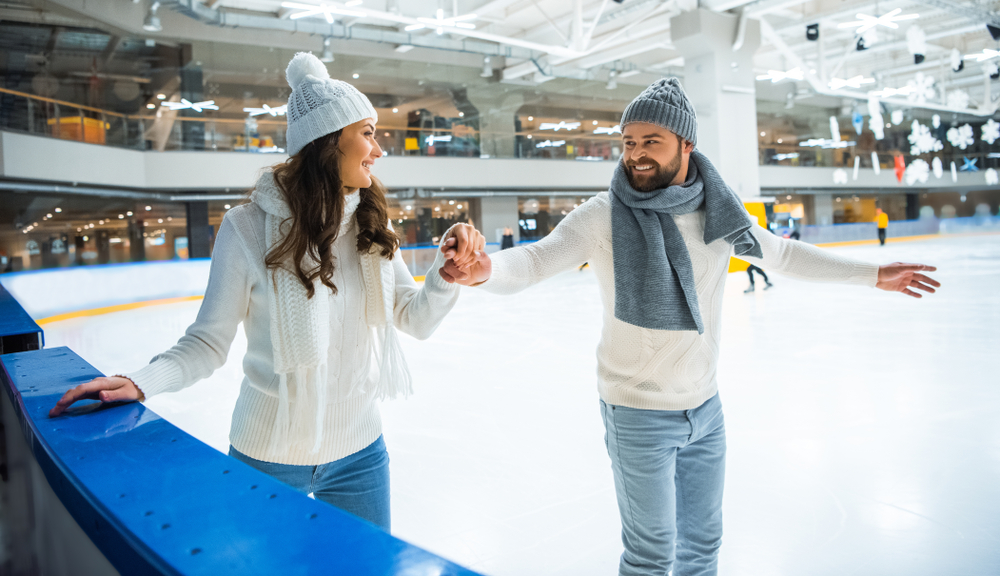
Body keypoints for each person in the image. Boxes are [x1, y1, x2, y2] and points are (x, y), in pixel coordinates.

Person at [440, 78, 940, 576]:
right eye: (629, 142)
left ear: (687, 145)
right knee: (650, 556)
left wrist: (872, 274)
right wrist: (484, 270)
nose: (636, 154)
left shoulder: (720, 213)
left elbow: (783, 254)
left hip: (706, 408)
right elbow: (533, 261)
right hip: (637, 414)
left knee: (703, 548)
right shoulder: (603, 216)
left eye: (651, 142)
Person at [49, 52, 485, 532]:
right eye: (368, 133)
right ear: (329, 140)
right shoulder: (247, 228)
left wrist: (447, 275)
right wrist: (140, 381)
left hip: (360, 452)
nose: (378, 150)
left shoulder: (369, 223)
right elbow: (207, 343)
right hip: (268, 455)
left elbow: (415, 319)